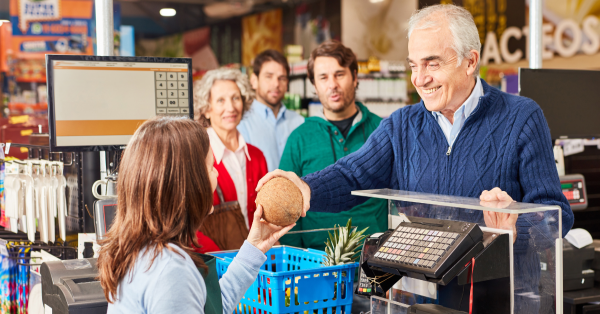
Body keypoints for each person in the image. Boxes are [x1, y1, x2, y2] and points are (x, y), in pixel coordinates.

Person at [257, 5, 574, 313]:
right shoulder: (401, 125)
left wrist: (517, 221)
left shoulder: (521, 117)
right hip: (420, 297)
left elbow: (557, 212)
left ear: (470, 61)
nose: (419, 79)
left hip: (500, 295)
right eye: (413, 65)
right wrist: (305, 189)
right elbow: (352, 174)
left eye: (432, 64)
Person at [98, 116, 294, 313]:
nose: (216, 174)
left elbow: (214, 306)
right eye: (210, 167)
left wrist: (255, 246)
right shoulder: (171, 272)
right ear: (188, 184)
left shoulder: (144, 252)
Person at [278, 40, 387, 251]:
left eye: (339, 74)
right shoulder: (299, 138)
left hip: (376, 258)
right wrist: (298, 260)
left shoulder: (383, 130)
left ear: (355, 77)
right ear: (314, 86)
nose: (332, 84)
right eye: (323, 77)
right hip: (316, 262)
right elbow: (286, 206)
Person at [192, 68, 269, 252]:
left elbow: (266, 214)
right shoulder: (196, 156)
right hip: (213, 262)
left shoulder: (257, 156)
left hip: (257, 259)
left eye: (236, 98)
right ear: (206, 109)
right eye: (220, 100)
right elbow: (189, 223)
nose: (231, 107)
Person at [238, 50, 305, 171]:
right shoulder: (241, 123)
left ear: (287, 83)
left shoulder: (299, 122)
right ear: (254, 80)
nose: (276, 84)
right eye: (268, 77)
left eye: (282, 78)